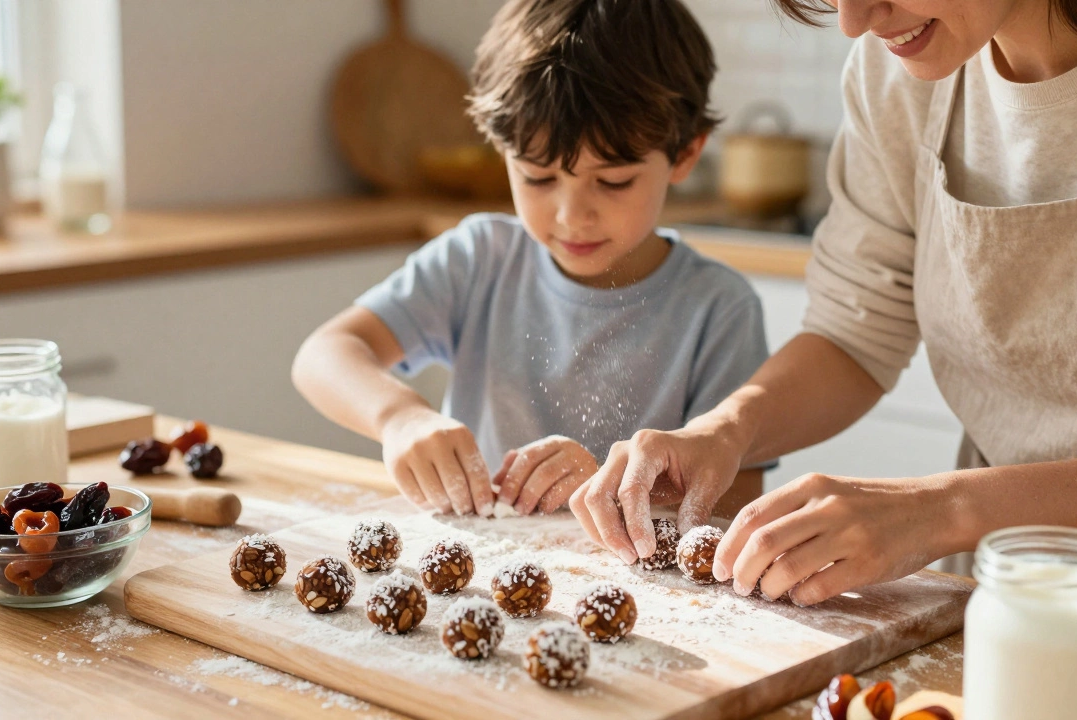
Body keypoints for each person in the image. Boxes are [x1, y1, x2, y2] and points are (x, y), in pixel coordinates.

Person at [571, 0, 1077, 631]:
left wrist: (941, 509)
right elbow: (853, 333)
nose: (854, 21)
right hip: (990, 603)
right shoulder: (900, 67)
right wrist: (725, 430)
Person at [292, 0, 770, 520]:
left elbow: (735, 502)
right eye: (538, 177)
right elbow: (324, 354)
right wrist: (399, 417)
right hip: (478, 561)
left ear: (686, 154)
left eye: (613, 181)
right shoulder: (479, 260)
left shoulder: (718, 309)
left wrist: (609, 490)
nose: (572, 216)